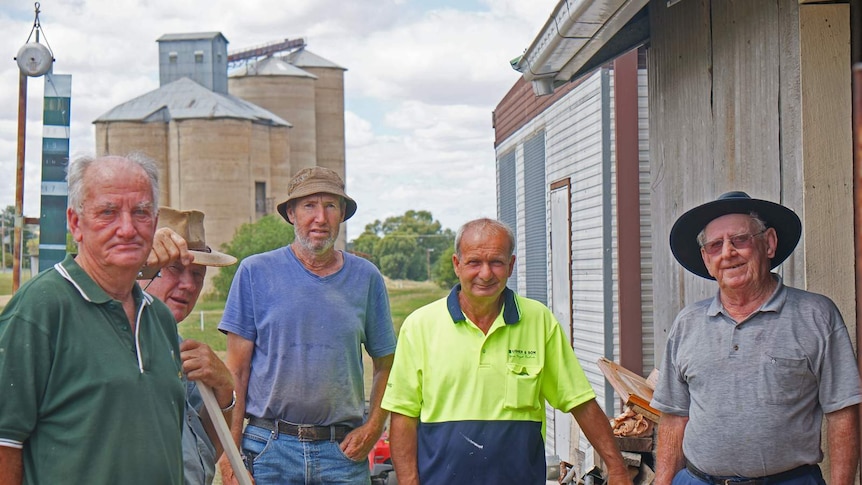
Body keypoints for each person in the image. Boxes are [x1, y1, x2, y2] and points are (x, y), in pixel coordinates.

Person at [381, 218, 632, 485]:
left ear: (511, 265)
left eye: (496, 262)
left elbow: (579, 401)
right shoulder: (421, 326)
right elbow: (403, 415)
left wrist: (617, 468)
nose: (486, 273)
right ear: (457, 264)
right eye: (474, 262)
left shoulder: (538, 321)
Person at [651, 191, 862, 485]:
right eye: (715, 245)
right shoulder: (688, 323)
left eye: (740, 239)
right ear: (706, 258)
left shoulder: (816, 315)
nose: (728, 253)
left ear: (770, 242)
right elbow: (674, 417)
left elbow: (842, 412)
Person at [0, 154, 184, 484]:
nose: (127, 228)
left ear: (155, 223)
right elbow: (4, 443)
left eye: (140, 212)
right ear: (75, 223)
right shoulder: (39, 310)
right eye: (108, 213)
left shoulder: (159, 318)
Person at [217, 166, 396, 485]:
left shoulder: (365, 278)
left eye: (331, 206)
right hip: (269, 448)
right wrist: (230, 455)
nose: (320, 217)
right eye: (309, 206)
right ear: (291, 213)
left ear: (342, 214)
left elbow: (386, 363)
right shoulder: (255, 273)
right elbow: (237, 371)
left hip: (341, 453)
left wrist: (373, 427)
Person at [142, 207, 238, 485]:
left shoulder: (181, 349)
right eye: (174, 268)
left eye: (197, 273)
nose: (188, 285)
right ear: (144, 267)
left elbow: (206, 448)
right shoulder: (109, 338)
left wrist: (223, 390)